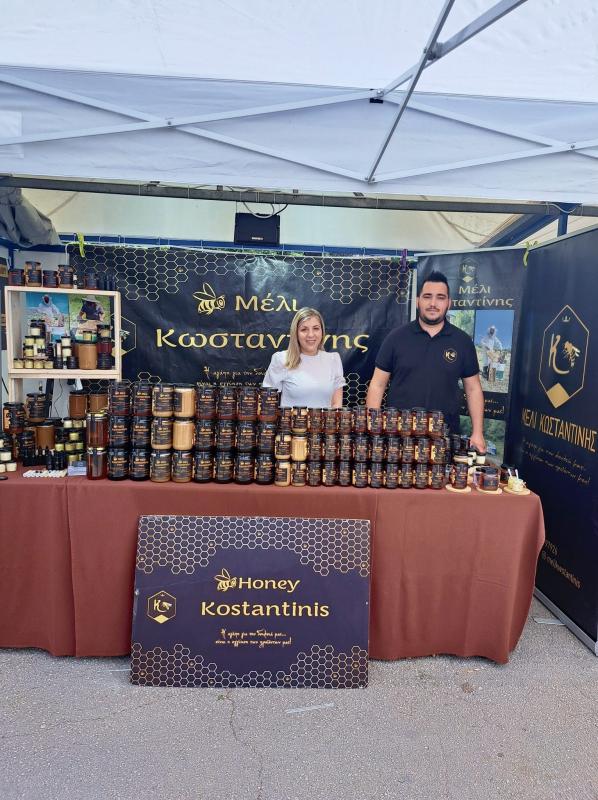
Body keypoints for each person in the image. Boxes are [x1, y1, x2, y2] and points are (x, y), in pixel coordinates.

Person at [366, 270, 486, 452]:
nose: (433, 304)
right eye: (427, 296)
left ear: (449, 303)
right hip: (399, 438)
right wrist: (372, 428)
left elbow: (473, 388)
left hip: (445, 439)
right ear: (417, 301)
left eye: (440, 297)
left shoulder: (462, 341)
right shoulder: (395, 338)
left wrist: (477, 432)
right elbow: (377, 385)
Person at [262, 307, 345, 408]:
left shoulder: (333, 360)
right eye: (304, 329)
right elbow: (267, 405)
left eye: (316, 328)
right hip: (290, 419)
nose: (311, 334)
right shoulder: (281, 359)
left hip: (325, 419)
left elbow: (336, 405)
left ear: (322, 331)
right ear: (296, 333)